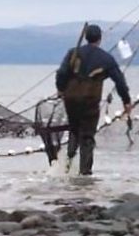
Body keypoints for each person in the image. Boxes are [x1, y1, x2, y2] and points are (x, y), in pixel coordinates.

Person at [56, 24, 131, 175]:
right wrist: (126, 101)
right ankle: (85, 175)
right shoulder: (106, 58)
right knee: (87, 137)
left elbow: (62, 73)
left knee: (74, 128)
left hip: (70, 100)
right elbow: (119, 81)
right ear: (100, 39)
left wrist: (61, 88)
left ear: (85, 37)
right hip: (90, 101)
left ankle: (67, 165)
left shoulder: (73, 53)